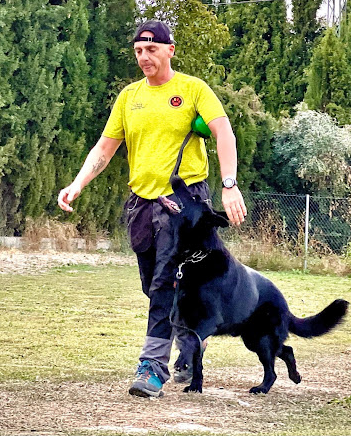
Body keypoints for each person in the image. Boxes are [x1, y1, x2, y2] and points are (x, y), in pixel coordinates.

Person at [57, 20, 247, 398]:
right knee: (152, 284)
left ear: (169, 50)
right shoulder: (129, 97)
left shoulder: (192, 89)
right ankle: (192, 340)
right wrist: (78, 183)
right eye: (139, 52)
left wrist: (229, 184)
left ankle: (152, 367)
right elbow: (105, 148)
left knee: (164, 281)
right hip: (142, 203)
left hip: (184, 204)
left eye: (152, 50)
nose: (144, 57)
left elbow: (224, 132)